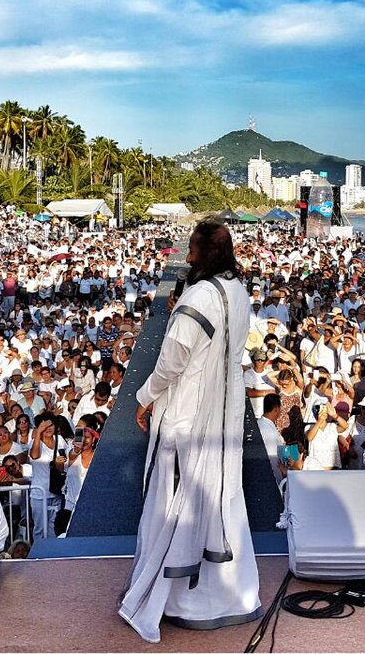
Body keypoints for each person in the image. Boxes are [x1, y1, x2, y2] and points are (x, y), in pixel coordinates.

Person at [120, 221, 261, 644]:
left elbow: (171, 362)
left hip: (189, 415)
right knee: (222, 494)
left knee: (177, 498)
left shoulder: (199, 296)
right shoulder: (239, 291)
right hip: (225, 415)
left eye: (193, 251)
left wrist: (144, 397)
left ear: (204, 254)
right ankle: (230, 598)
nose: (188, 257)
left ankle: (176, 601)